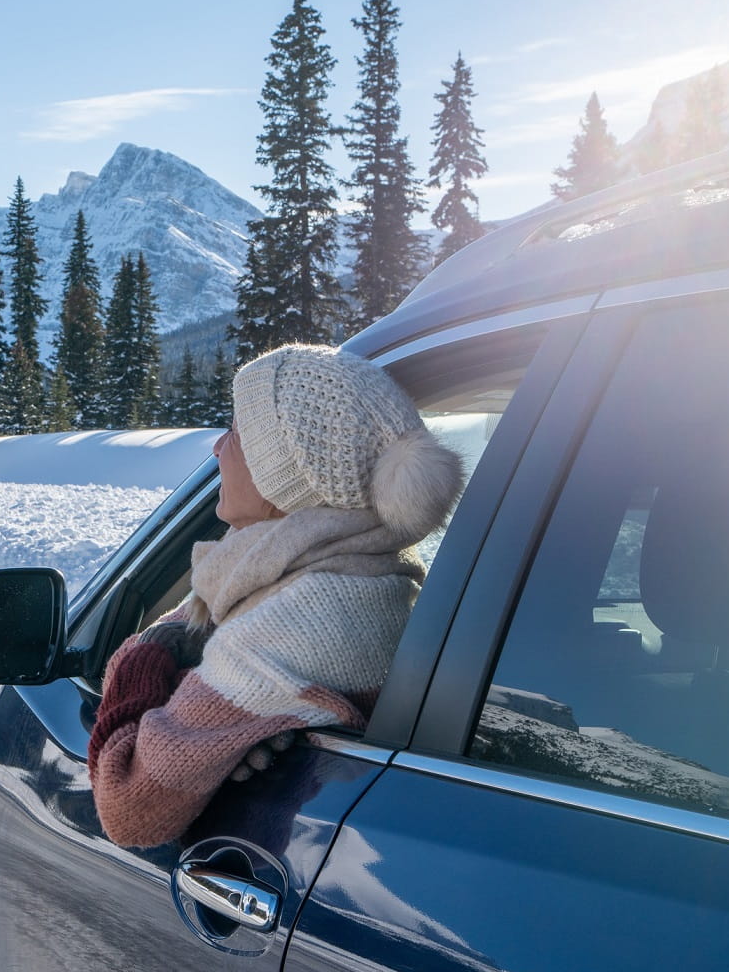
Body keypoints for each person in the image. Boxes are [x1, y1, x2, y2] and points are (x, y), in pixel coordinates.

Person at [87, 344, 466, 847]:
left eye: (238, 434)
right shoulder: (380, 571)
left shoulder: (287, 630)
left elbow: (129, 809)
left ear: (279, 474)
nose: (217, 448)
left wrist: (145, 658)